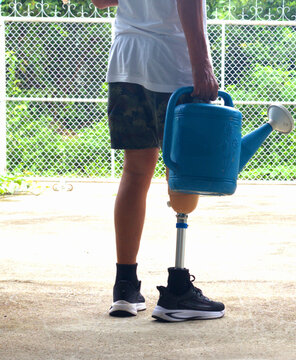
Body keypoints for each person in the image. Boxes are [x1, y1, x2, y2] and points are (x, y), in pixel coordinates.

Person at [91, 0, 225, 321]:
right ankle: (178, 290)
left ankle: (125, 287)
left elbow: (100, 1)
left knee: (135, 172)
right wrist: (202, 66)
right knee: (180, 171)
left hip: (127, 61)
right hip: (172, 63)